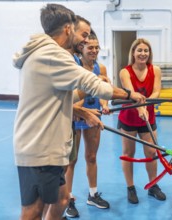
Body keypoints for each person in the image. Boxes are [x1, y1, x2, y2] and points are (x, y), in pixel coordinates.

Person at [12, 4, 145, 220]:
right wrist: (131, 95)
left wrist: (82, 112)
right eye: (78, 32)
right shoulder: (53, 54)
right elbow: (96, 86)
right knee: (33, 210)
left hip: (45, 146)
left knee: (62, 198)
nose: (82, 39)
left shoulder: (42, 53)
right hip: (40, 147)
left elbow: (62, 97)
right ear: (67, 29)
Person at [65, 33, 111, 218]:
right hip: (75, 117)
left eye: (96, 47)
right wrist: (79, 111)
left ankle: (93, 194)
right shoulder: (73, 66)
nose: (94, 50)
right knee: (71, 160)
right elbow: (70, 93)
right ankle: (67, 199)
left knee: (91, 157)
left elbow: (103, 92)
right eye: (90, 47)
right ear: (82, 48)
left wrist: (105, 105)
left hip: (93, 116)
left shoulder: (101, 68)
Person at [117, 38, 165, 204]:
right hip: (129, 117)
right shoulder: (125, 72)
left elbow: (156, 92)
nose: (143, 53)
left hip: (148, 117)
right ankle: (130, 188)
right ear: (133, 53)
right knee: (128, 154)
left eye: (146, 50)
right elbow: (131, 93)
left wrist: (145, 106)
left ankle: (153, 185)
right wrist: (139, 108)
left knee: (151, 153)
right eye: (139, 50)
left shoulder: (155, 70)